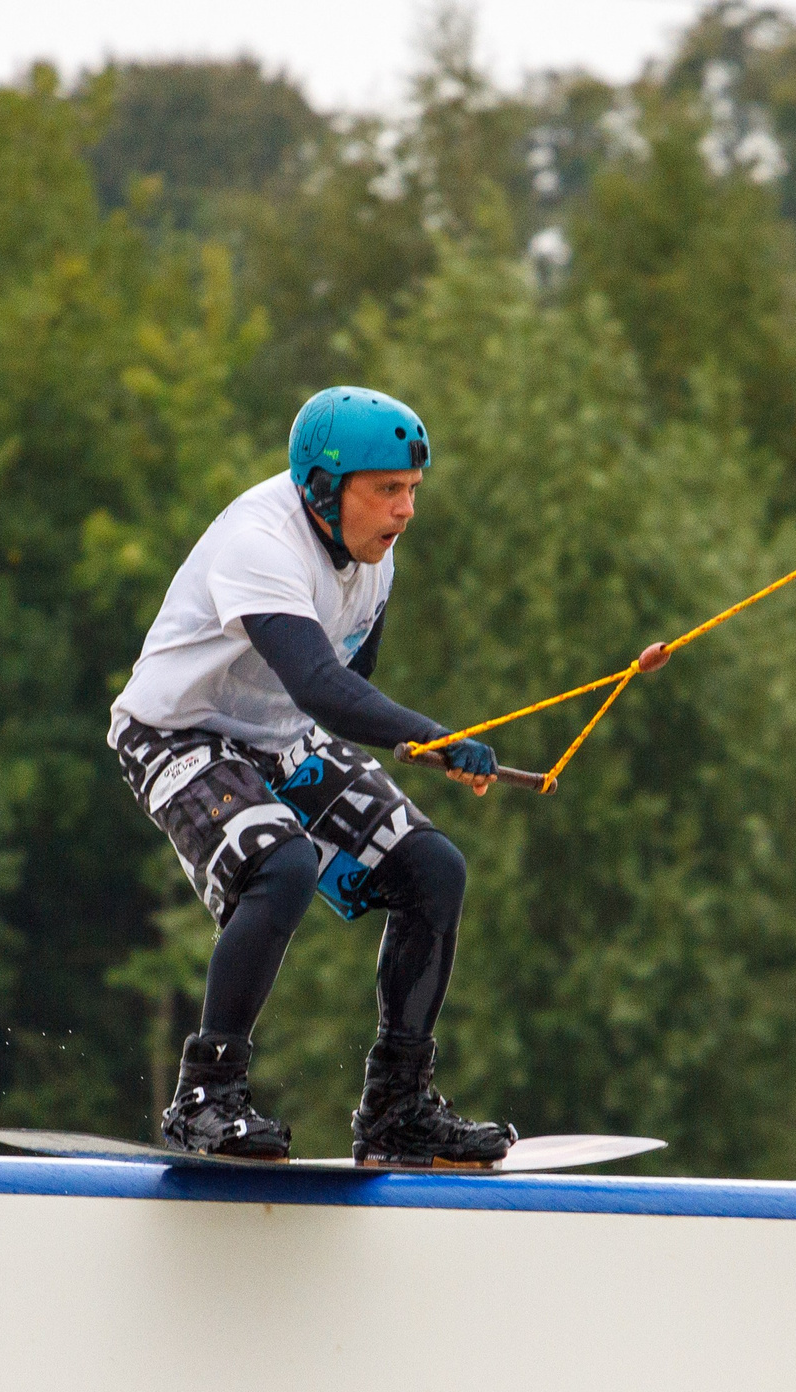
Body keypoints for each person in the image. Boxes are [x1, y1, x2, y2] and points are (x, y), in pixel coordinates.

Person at [107, 385, 515, 1165]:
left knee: (433, 869)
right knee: (282, 864)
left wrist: (421, 746)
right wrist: (430, 734)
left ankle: (398, 1108)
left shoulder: (374, 558)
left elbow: (348, 692)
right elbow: (321, 686)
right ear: (324, 489)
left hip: (280, 735)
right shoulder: (260, 543)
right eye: (387, 489)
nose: (406, 511)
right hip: (175, 730)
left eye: (412, 490)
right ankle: (205, 1098)